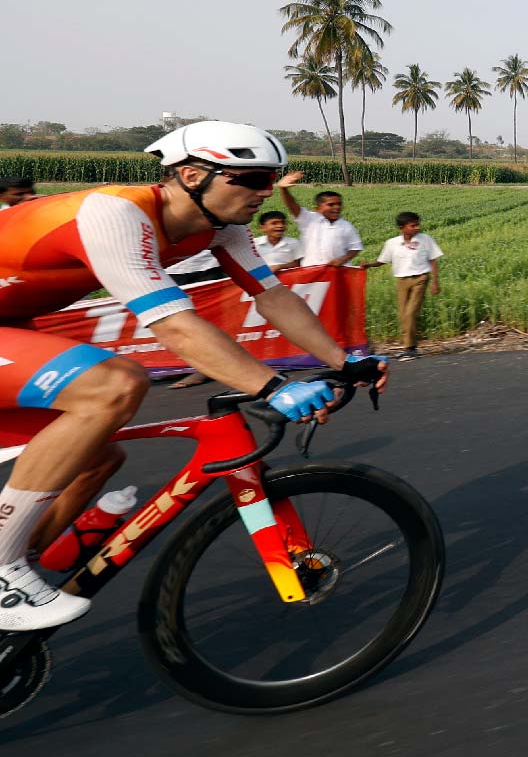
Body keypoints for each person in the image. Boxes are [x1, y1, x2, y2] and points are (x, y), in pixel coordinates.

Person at [0, 121, 386, 632]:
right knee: (114, 386)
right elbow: (174, 327)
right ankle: (2, 572)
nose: (266, 192)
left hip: (13, 322)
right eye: (252, 179)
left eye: (272, 179)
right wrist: (274, 386)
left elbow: (272, 296)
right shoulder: (114, 213)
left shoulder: (221, 226)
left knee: (94, 458)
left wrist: (344, 360)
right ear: (191, 175)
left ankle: (23, 567)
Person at [366, 212, 444, 361]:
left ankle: (411, 348)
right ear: (401, 228)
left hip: (420, 278)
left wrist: (435, 281)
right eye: (413, 225)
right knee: (403, 315)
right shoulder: (392, 243)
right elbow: (382, 260)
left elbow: (433, 260)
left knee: (410, 313)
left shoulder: (425, 239)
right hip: (402, 280)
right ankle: (408, 347)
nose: (417, 227)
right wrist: (369, 265)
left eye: (418, 224)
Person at [278, 180, 363, 268]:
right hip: (310, 271)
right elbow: (292, 206)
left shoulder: (346, 226)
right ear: (318, 208)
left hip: (336, 271)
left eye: (339, 204)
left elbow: (355, 247)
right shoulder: (309, 219)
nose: (337, 207)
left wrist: (342, 259)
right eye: (331, 205)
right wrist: (284, 189)